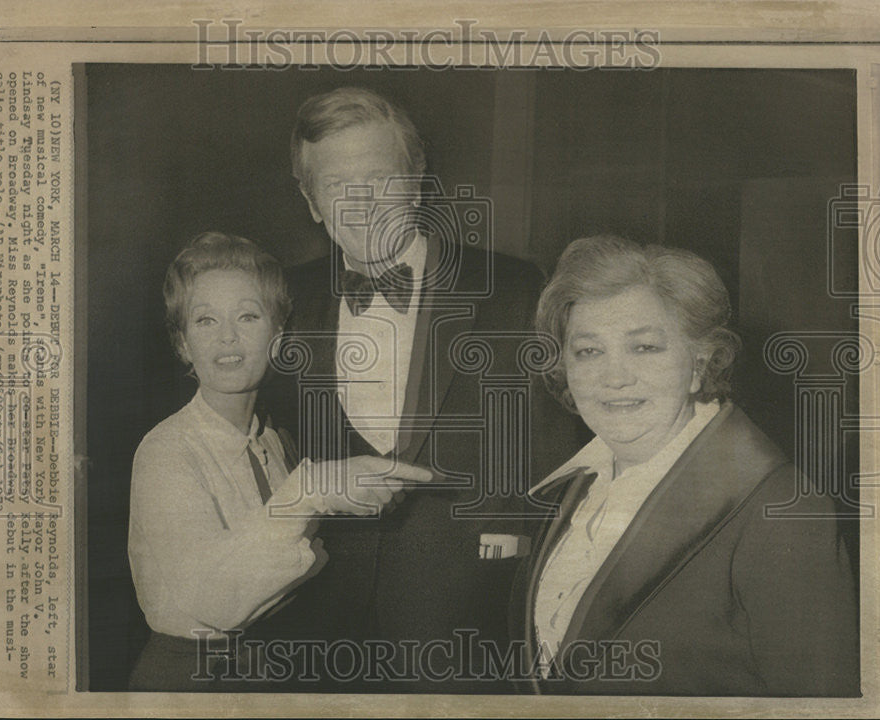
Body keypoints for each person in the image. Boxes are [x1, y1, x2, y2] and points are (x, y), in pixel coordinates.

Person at [258, 86, 578, 692]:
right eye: (334, 184)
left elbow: (562, 458)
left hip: (468, 623)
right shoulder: (281, 302)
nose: (361, 203)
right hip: (313, 627)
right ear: (309, 201)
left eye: (379, 176)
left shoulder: (514, 288)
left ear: (418, 175)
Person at [519, 234, 859, 695]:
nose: (614, 377)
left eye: (645, 348)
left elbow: (822, 702)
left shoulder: (777, 506)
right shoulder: (573, 488)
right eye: (589, 351)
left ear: (700, 362)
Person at [127, 232, 430, 691]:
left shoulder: (275, 442)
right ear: (183, 344)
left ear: (278, 336)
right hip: (189, 683)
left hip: (266, 672)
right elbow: (215, 600)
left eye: (248, 316)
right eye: (205, 320)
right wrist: (311, 494)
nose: (227, 336)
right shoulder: (165, 452)